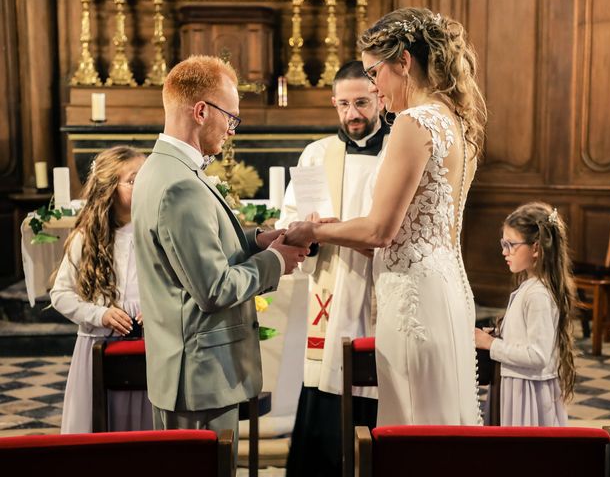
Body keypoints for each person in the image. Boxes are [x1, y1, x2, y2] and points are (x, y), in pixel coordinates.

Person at [285, 8, 487, 426]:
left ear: (404, 62)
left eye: (376, 72)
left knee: (411, 420)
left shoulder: (414, 123)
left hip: (411, 295)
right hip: (447, 284)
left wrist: (312, 228)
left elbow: (380, 230)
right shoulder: (456, 122)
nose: (375, 85)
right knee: (439, 418)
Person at [131, 55, 308, 454]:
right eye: (231, 116)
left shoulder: (161, 169)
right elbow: (212, 288)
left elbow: (188, 253)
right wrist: (276, 261)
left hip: (187, 369)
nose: (232, 128)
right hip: (199, 377)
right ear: (200, 111)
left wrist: (255, 241)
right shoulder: (181, 185)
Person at [277, 60, 389, 477]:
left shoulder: (401, 149)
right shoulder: (317, 153)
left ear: (380, 96)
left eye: (361, 102)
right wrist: (304, 230)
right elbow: (291, 218)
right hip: (333, 284)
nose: (353, 114)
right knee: (329, 378)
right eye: (343, 104)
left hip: (383, 282)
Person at [51, 145, 152, 433]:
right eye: (133, 180)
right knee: (101, 424)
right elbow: (60, 294)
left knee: (142, 428)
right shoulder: (88, 236)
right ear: (109, 188)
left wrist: (159, 308)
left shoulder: (156, 232)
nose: (143, 186)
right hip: (98, 344)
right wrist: (100, 315)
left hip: (147, 344)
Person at [475, 202, 576, 426]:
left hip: (527, 394)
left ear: (536, 248)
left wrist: (491, 344)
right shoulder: (530, 287)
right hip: (517, 385)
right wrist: (501, 334)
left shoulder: (537, 294)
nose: (504, 251)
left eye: (511, 244)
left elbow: (538, 356)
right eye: (503, 244)